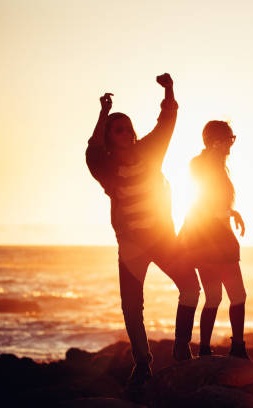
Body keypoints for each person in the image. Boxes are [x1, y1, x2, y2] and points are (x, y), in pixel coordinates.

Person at [85, 74, 200, 389]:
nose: (125, 132)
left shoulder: (150, 151)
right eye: (117, 129)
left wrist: (169, 89)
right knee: (132, 307)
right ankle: (143, 363)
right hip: (132, 246)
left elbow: (167, 120)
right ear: (110, 136)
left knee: (191, 287)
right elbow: (91, 152)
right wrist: (103, 114)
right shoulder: (105, 167)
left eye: (127, 127)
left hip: (163, 238)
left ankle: (180, 346)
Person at [179, 120, 249, 358]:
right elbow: (206, 206)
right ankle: (237, 348)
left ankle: (205, 349)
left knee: (214, 297)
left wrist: (232, 213)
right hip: (214, 241)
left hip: (203, 241)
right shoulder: (204, 166)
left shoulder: (208, 165)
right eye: (229, 138)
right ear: (216, 141)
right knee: (237, 295)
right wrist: (228, 213)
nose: (231, 143)